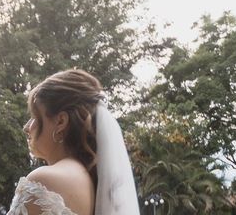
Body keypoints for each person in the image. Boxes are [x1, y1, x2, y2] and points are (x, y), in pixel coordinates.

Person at [7, 69, 139, 215]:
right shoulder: (95, 185)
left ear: (61, 122)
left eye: (35, 117)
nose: (27, 127)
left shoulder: (43, 181)